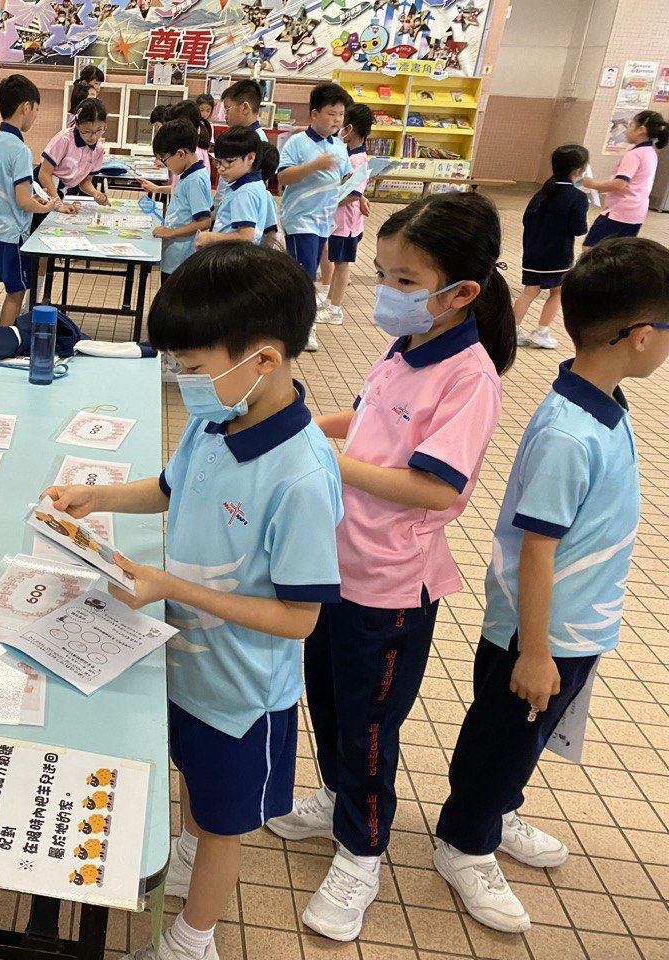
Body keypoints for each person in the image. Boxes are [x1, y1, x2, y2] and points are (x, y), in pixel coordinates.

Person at [43, 242, 342, 960]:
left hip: (242, 694)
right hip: (182, 664)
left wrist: (172, 586)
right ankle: (182, 857)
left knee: (223, 826)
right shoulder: (218, 420)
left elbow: (301, 617)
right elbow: (168, 489)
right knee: (192, 786)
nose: (182, 381)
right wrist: (95, 496)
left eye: (193, 367)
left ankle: (191, 941)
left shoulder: (301, 477)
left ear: (263, 359)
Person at [267, 191, 516, 942]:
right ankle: (335, 797)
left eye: (405, 281)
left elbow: (435, 487)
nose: (387, 291)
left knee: (370, 726)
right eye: (382, 274)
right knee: (326, 697)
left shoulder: (469, 376)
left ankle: (362, 851)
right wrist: (305, 423)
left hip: (389, 586)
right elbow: (369, 416)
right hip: (334, 561)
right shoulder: (406, 345)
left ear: (460, 293)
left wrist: (330, 462)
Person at [433, 237, 669, 933]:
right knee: (500, 739)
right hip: (538, 632)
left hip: (573, 625)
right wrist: (535, 653)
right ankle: (464, 843)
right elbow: (538, 550)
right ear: (641, 336)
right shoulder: (570, 432)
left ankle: (498, 810)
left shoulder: (603, 402)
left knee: (521, 743)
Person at [0, 74, 74, 325]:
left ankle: (5, 335)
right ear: (26, 107)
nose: (35, 115)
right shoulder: (20, 150)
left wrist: (34, 199)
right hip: (14, 234)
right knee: (16, 293)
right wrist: (48, 205)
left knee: (13, 289)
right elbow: (23, 201)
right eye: (36, 109)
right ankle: (4, 339)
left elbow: (10, 190)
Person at [277, 82, 354, 352]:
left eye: (341, 115)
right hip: (301, 218)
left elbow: (345, 177)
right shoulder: (297, 142)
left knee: (306, 272)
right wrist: (313, 166)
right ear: (314, 114)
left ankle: (291, 319)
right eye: (331, 114)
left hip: (324, 219)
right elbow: (282, 177)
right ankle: (305, 327)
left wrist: (358, 191)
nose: (337, 120)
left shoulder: (339, 146)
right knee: (305, 273)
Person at [513, 144, 590, 350]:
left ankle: (512, 329)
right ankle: (541, 332)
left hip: (532, 252)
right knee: (557, 291)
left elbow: (526, 220)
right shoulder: (577, 197)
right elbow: (579, 229)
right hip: (558, 255)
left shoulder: (541, 193)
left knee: (529, 291)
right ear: (578, 170)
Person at [582, 109, 667, 247]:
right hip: (636, 212)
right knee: (618, 250)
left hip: (621, 211)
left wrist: (592, 184)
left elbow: (620, 184)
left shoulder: (635, 154)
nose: (626, 130)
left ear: (641, 130)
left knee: (591, 248)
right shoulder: (651, 152)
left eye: (630, 125)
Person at [324, 103, 375, 325]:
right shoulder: (350, 153)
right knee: (337, 261)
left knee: (342, 264)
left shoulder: (357, 159)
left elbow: (353, 194)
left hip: (346, 223)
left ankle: (335, 308)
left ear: (350, 128)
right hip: (341, 221)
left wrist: (328, 202)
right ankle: (329, 301)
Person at [152, 118, 214, 279]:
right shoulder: (188, 175)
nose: (166, 166)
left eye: (165, 161)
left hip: (182, 258)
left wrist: (171, 232)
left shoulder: (195, 180)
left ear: (180, 153)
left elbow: (204, 222)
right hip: (175, 254)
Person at [194, 127, 276, 247]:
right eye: (218, 162)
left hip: (233, 254)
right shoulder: (254, 185)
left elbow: (245, 236)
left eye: (229, 161)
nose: (221, 169)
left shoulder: (245, 192)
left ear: (250, 158)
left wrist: (209, 237)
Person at [38, 97, 110, 207]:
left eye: (99, 130)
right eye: (87, 131)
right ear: (77, 124)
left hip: (60, 193)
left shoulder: (98, 149)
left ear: (105, 125)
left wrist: (95, 193)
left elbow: (85, 181)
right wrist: (59, 205)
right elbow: (44, 174)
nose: (93, 137)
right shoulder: (65, 139)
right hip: (42, 189)